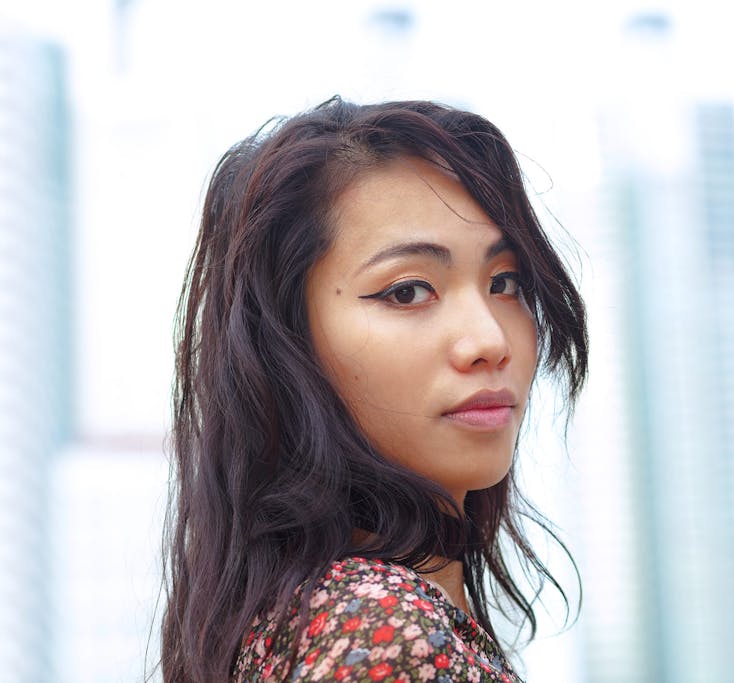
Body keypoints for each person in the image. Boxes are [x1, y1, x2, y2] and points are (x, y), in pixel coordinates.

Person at [160, 97, 588, 683]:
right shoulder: (384, 632)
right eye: (408, 291)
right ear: (288, 344)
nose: (489, 340)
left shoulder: (318, 615)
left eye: (504, 282)